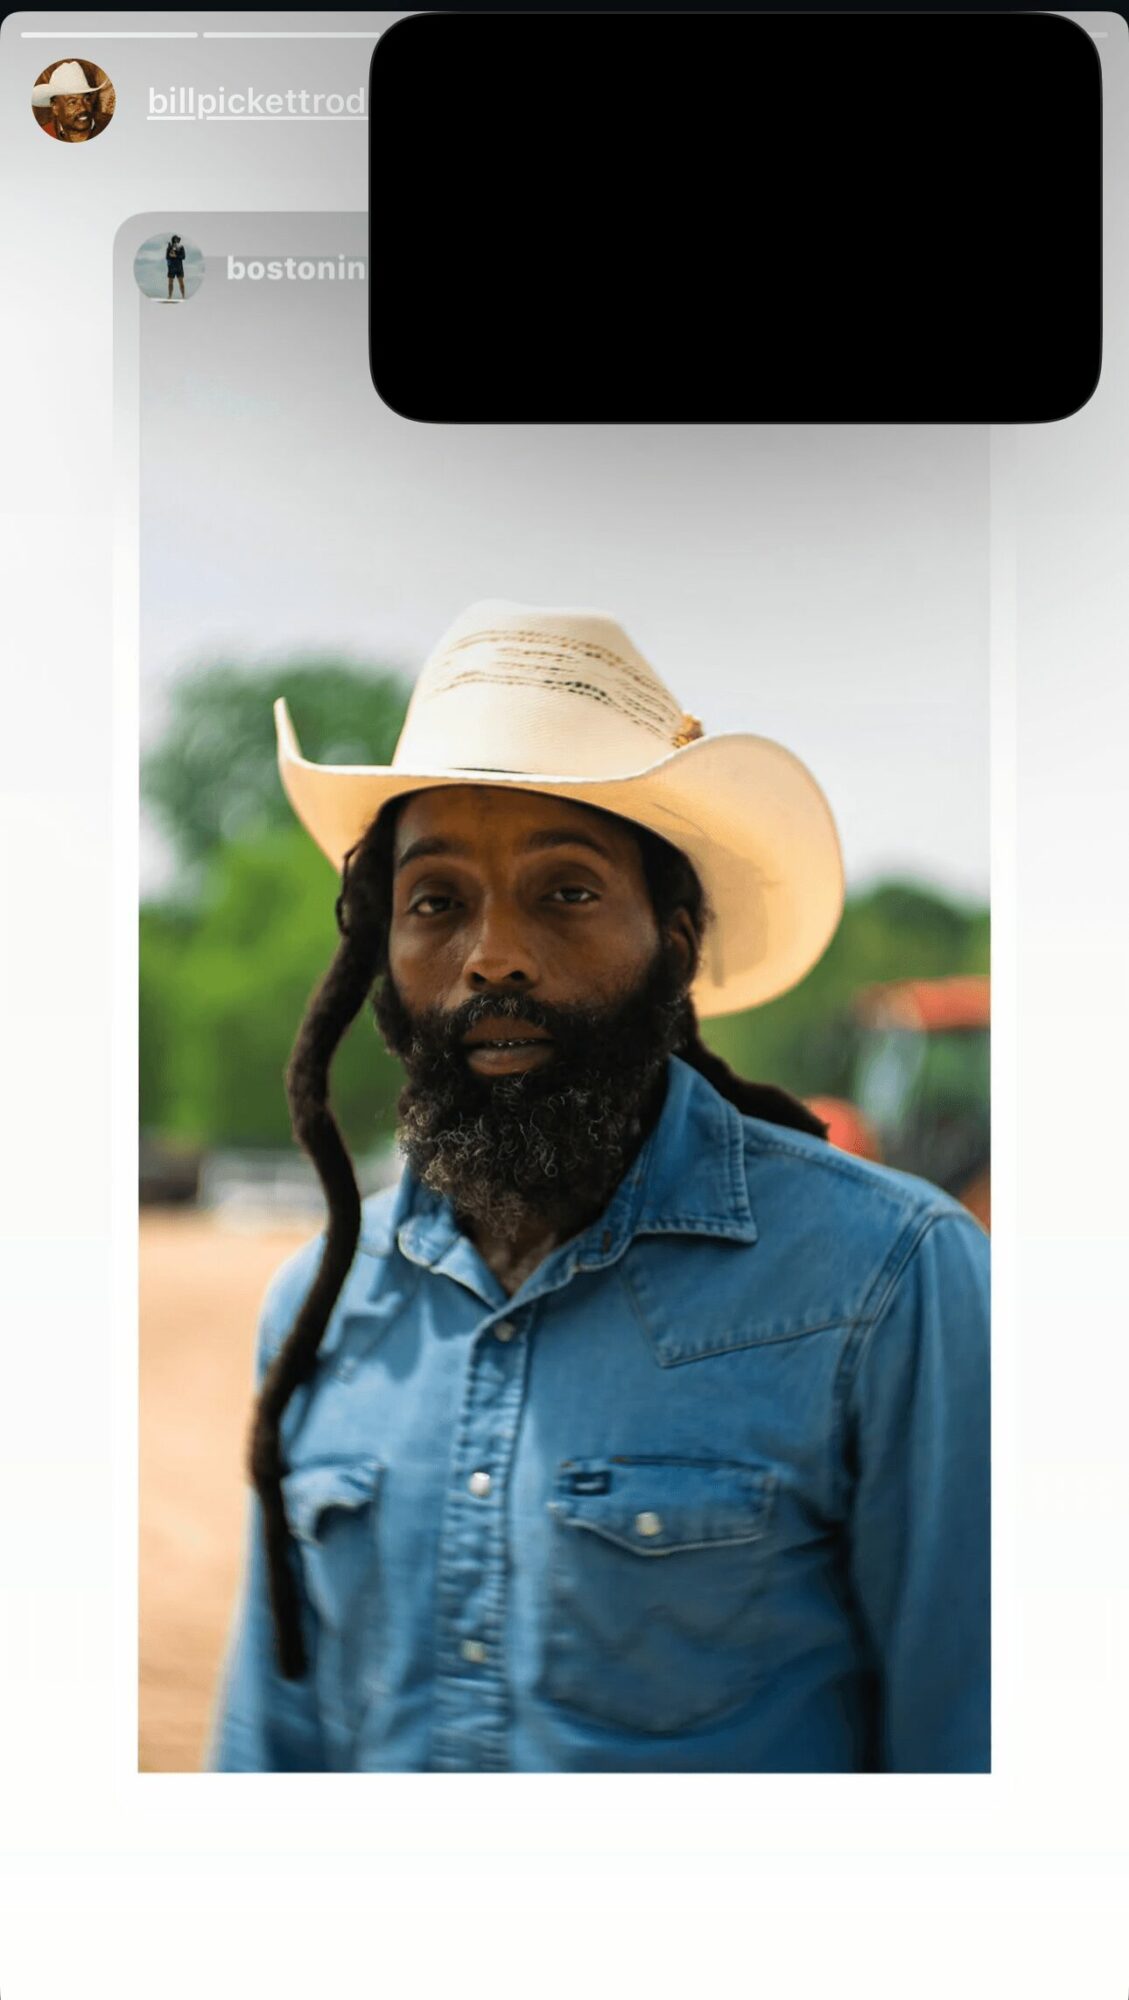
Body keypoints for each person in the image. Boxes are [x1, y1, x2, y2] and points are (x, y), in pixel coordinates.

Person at [206, 599, 990, 1774]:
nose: (493, 953)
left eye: (565, 890)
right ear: (384, 953)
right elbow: (271, 1751)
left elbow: (971, 1750)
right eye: (435, 901)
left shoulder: (888, 1283)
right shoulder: (322, 1305)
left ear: (675, 942)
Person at [31, 60, 106, 142]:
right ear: (55, 108)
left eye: (87, 99)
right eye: (73, 102)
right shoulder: (44, 135)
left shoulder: (108, 126)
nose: (83, 108)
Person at [166, 235, 186, 301]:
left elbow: (183, 257)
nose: (176, 241)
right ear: (173, 240)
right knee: (170, 283)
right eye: (175, 240)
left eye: (177, 240)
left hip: (179, 267)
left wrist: (175, 255)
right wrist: (171, 254)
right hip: (171, 267)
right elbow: (167, 257)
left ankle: (183, 296)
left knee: (181, 283)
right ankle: (170, 296)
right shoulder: (169, 247)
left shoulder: (181, 247)